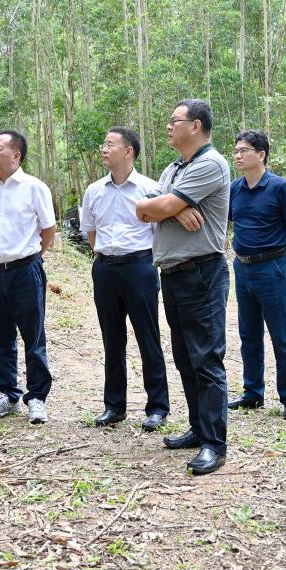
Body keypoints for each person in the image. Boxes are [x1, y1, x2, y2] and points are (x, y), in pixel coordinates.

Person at [136, 99, 231, 475]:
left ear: (196, 126)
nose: (168, 126)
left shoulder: (211, 163)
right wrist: (173, 207)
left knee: (206, 359)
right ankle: (197, 426)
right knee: (185, 357)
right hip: (173, 273)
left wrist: (165, 206)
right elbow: (142, 210)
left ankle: (214, 443)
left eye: (174, 120)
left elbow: (154, 208)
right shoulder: (174, 167)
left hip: (201, 272)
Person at [81, 127, 170, 431]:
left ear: (128, 151)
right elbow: (91, 232)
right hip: (105, 268)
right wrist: (107, 257)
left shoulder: (150, 188)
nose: (104, 149)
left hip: (140, 267)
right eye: (103, 144)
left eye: (110, 145)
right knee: (112, 339)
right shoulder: (94, 190)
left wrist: (140, 262)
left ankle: (157, 407)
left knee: (148, 337)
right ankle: (114, 406)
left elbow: (160, 232)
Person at [0, 130, 57, 424]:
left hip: (26, 270)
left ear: (16, 156)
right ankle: (8, 394)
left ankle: (37, 397)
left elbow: (48, 230)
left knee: (33, 335)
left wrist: (31, 255)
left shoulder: (34, 187)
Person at [228, 130, 286, 421]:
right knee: (248, 334)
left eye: (244, 150)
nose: (238, 155)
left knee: (281, 335)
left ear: (261, 155)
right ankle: (253, 392)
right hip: (242, 267)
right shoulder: (234, 188)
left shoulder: (281, 187)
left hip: (273, 267)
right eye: (236, 150)